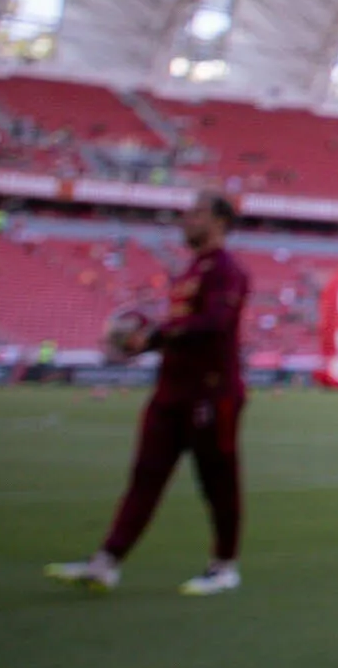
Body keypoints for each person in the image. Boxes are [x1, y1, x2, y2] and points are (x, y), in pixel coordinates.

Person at [46, 191, 251, 596]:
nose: (187, 219)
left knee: (218, 484)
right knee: (145, 478)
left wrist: (154, 336)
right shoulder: (191, 271)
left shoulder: (227, 270)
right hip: (172, 392)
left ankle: (224, 566)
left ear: (221, 222)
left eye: (197, 213)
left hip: (212, 394)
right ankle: (106, 563)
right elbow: (184, 328)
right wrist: (148, 342)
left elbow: (213, 323)